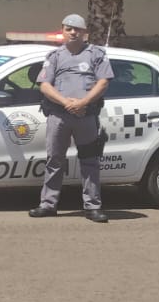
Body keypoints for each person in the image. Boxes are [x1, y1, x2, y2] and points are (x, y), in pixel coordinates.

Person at [30, 13, 112, 223]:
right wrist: (67, 103)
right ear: (63, 31)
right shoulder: (55, 56)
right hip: (59, 116)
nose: (73, 32)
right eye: (69, 28)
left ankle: (92, 207)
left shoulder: (96, 54)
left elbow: (103, 83)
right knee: (54, 160)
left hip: (86, 116)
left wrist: (82, 103)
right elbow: (45, 85)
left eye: (78, 29)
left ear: (85, 33)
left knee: (90, 161)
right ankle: (48, 205)